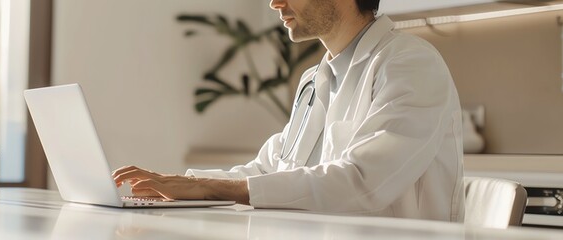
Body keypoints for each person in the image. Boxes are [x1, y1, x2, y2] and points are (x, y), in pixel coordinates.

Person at [113, 0, 464, 222]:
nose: (274, 3)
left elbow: (363, 180)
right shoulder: (314, 79)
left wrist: (211, 188)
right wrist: (183, 185)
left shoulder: (410, 63)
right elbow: (270, 168)